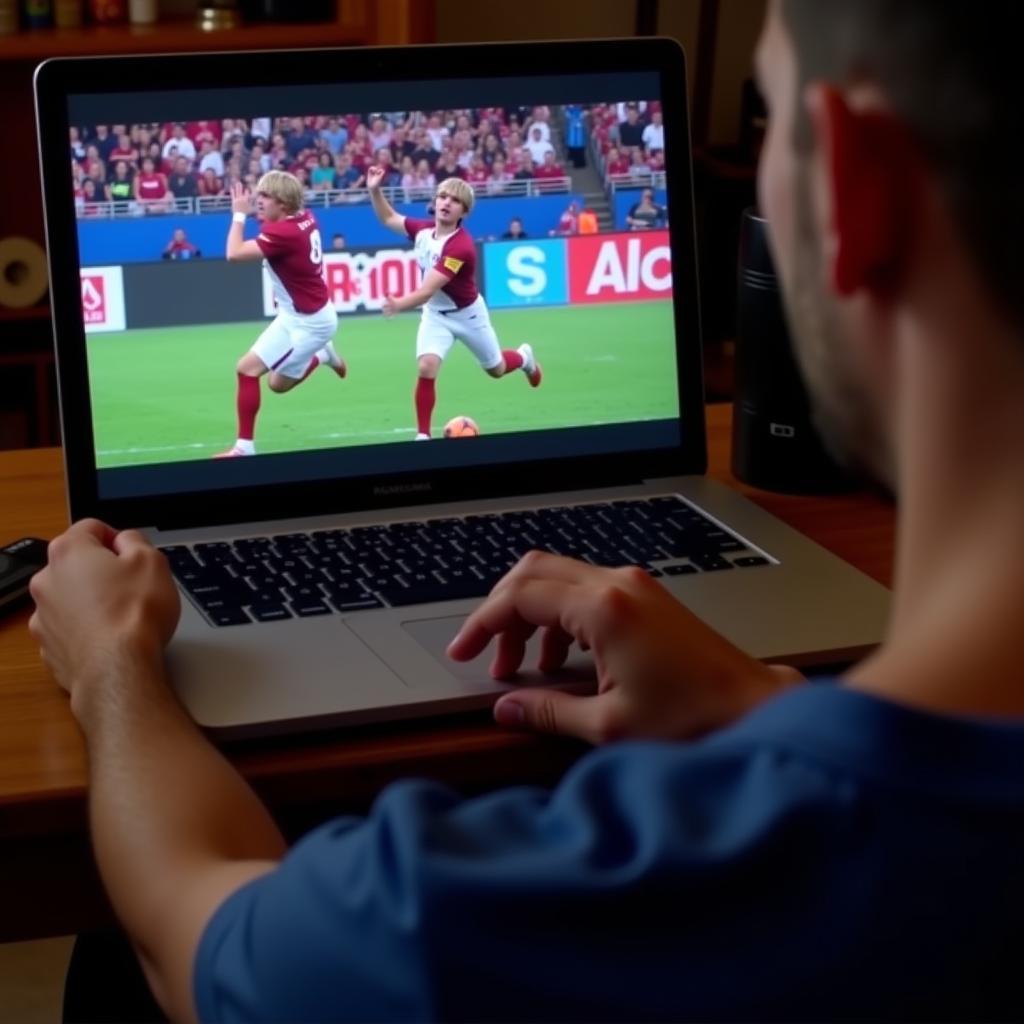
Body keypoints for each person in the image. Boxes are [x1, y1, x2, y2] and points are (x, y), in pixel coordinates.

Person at [26, 4, 1024, 1020]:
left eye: (770, 121)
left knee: (105, 974)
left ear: (855, 187)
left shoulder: (447, 915)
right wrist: (770, 709)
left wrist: (111, 663)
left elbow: (196, 935)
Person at [365, 164, 541, 440]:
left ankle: (524, 358)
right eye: (443, 196)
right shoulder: (423, 231)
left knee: (496, 369)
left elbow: (426, 290)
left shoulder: (461, 247)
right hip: (436, 315)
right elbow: (388, 218)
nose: (447, 202)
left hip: (468, 316)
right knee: (426, 366)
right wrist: (375, 190)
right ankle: (423, 435)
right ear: (434, 202)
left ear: (464, 212)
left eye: (455, 200)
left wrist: (399, 304)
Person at [214, 171, 346, 458]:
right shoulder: (304, 217)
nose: (257, 201)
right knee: (245, 369)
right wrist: (259, 214)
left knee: (276, 385)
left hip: (313, 325)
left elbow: (234, 254)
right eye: (258, 194)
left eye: (265, 196)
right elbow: (273, 225)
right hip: (292, 316)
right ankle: (244, 447)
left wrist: (238, 216)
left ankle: (323, 355)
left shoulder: (284, 233)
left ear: (284, 204)